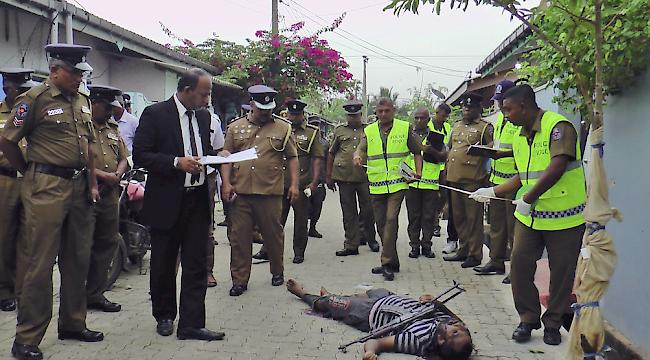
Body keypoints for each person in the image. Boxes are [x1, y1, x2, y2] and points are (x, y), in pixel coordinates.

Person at [0, 44, 104, 360]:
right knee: (38, 262)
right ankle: (26, 338)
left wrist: (92, 182)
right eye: (74, 73)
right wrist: (29, 171)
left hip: (79, 187)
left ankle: (73, 323)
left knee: (77, 258)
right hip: (46, 186)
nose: (78, 78)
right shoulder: (34, 100)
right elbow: (7, 140)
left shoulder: (82, 102)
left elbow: (88, 148)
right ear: (55, 70)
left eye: (81, 73)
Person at [470, 84, 586, 346]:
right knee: (520, 265)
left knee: (561, 273)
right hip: (531, 217)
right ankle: (528, 318)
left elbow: (557, 167)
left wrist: (527, 198)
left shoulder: (559, 127)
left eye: (508, 109)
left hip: (563, 217)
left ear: (525, 106)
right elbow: (523, 176)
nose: (505, 115)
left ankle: (553, 323)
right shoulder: (521, 136)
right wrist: (492, 191)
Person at [132, 68, 225, 341]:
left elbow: (205, 152)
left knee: (196, 263)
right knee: (163, 263)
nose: (207, 99)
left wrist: (220, 157)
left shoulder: (204, 116)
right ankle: (164, 315)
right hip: (166, 201)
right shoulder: (155, 114)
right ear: (186, 90)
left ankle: (192, 324)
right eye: (203, 93)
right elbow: (141, 155)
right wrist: (176, 162)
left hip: (197, 200)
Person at [220, 85, 300, 296]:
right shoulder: (235, 127)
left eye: (269, 108)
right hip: (241, 193)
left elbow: (292, 157)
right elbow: (226, 156)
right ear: (252, 104)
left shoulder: (284, 128)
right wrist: (226, 183)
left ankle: (277, 271)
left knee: (273, 235)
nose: (266, 112)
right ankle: (239, 280)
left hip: (270, 192)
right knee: (239, 238)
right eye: (262, 107)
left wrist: (294, 184)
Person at [286, 279, 473, 360]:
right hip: (388, 297)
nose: (457, 325)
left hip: (370, 313)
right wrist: (437, 303)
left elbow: (376, 342)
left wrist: (370, 352)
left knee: (333, 305)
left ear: (441, 340)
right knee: (363, 293)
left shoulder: (417, 340)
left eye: (455, 331)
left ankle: (304, 294)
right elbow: (458, 320)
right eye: (463, 329)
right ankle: (334, 297)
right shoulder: (446, 322)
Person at [353, 98, 423, 281]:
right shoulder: (368, 131)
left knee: (391, 220)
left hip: (398, 183)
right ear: (376, 112)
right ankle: (393, 261)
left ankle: (385, 263)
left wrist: (418, 171)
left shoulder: (404, 127)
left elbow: (417, 151)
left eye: (387, 111)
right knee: (381, 224)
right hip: (376, 185)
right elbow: (360, 149)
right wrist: (357, 157)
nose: (383, 114)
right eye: (380, 111)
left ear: (394, 110)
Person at [252, 99, 324, 264]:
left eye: (297, 114)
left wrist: (314, 182)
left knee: (300, 220)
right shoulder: (280, 129)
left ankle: (299, 252)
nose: (293, 117)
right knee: (275, 219)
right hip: (278, 182)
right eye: (291, 114)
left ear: (302, 115)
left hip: (300, 183)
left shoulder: (312, 132)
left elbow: (317, 159)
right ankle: (267, 250)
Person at [85, 85, 128, 313]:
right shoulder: (82, 126)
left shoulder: (113, 128)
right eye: (107, 107)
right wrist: (104, 176)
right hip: (87, 193)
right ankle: (77, 294)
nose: (112, 112)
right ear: (94, 103)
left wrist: (117, 174)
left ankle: (96, 293)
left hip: (109, 195)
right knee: (82, 245)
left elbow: (123, 156)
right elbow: (80, 159)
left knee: (107, 243)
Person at [473, 80, 519, 283]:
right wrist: (487, 147)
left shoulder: (519, 119)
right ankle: (496, 261)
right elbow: (499, 142)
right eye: (498, 100)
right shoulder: (502, 118)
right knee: (497, 225)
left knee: (514, 230)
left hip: (513, 183)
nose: (500, 105)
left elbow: (520, 149)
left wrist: (502, 153)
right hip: (497, 180)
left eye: (502, 100)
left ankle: (515, 270)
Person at [0, 68, 38, 313]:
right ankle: (4, 290)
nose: (27, 94)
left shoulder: (32, 112)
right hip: (6, 182)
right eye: (22, 90)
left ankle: (24, 289)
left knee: (29, 238)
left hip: (32, 181)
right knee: (4, 238)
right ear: (8, 88)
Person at [442, 93, 494, 269]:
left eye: (470, 107)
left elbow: (493, 148)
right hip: (454, 177)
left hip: (473, 179)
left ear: (479, 108)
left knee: (473, 219)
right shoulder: (456, 126)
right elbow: (450, 148)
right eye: (464, 107)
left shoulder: (485, 127)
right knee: (458, 218)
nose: (466, 110)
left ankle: (475, 254)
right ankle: (463, 249)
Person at [327, 99, 379, 256]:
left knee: (369, 211)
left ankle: (371, 239)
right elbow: (331, 152)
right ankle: (351, 244)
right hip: (344, 177)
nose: (352, 118)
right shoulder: (340, 130)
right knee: (348, 213)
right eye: (350, 115)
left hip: (365, 177)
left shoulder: (370, 130)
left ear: (360, 115)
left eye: (355, 115)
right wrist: (328, 176)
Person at [405, 107, 448, 259]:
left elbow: (444, 157)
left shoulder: (436, 136)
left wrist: (432, 151)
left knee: (429, 217)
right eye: (416, 118)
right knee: (413, 217)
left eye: (422, 118)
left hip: (430, 184)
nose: (418, 120)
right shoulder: (408, 135)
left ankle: (427, 246)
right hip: (411, 183)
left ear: (428, 119)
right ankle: (414, 246)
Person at [206, 108, 225, 288]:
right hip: (178, 178)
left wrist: (225, 183)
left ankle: (207, 271)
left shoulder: (212, 120)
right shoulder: (168, 116)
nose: (206, 100)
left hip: (207, 177)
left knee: (206, 227)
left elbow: (219, 150)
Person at [307, 116, 328, 239]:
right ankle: (303, 228)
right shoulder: (302, 140)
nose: (316, 126)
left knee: (317, 206)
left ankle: (313, 227)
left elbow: (328, 159)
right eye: (313, 124)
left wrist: (328, 177)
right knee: (305, 208)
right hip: (305, 179)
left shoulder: (325, 143)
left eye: (317, 124)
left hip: (320, 179)